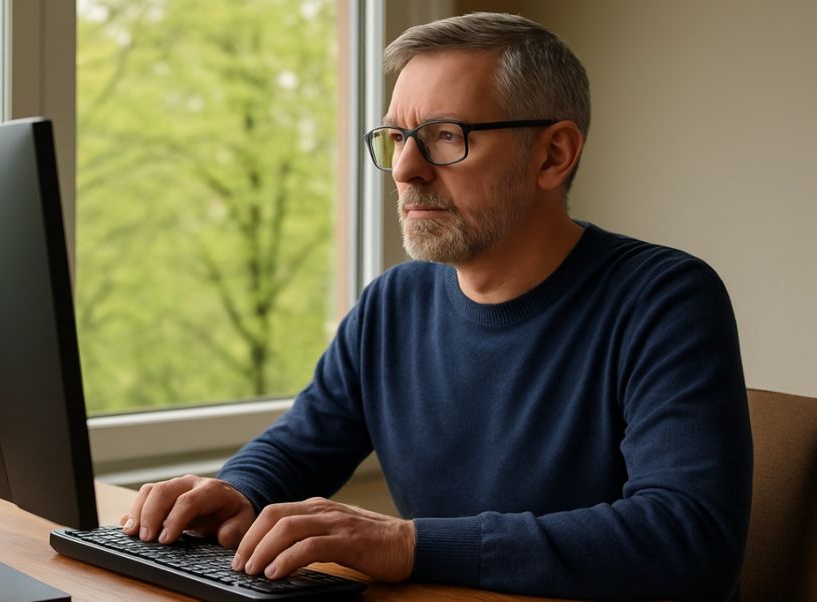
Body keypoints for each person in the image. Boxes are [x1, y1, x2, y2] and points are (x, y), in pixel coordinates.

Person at [121, 12, 753, 601]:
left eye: (445, 136)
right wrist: (237, 489)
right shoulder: (393, 303)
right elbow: (300, 445)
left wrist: (409, 544)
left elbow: (688, 536)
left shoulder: (664, 298)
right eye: (397, 137)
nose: (405, 169)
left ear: (553, 155)